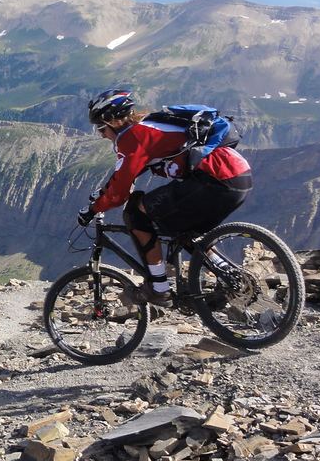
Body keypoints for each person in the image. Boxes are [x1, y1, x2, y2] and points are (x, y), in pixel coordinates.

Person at [76, 89, 253, 306]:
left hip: (213, 179)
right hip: (238, 177)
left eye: (101, 128)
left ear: (112, 121)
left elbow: (120, 192)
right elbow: (126, 175)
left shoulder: (131, 138)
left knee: (135, 212)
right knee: (184, 231)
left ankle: (159, 288)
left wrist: (93, 209)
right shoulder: (151, 127)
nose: (101, 134)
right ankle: (229, 276)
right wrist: (101, 195)